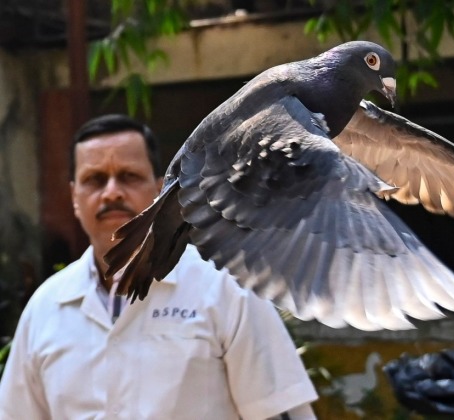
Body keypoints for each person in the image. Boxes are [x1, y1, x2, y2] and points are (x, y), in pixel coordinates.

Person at [0, 114, 318, 419]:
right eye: (95, 180)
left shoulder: (225, 289)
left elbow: (279, 412)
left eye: (128, 176)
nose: (111, 192)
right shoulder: (45, 309)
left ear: (159, 188)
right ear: (74, 196)